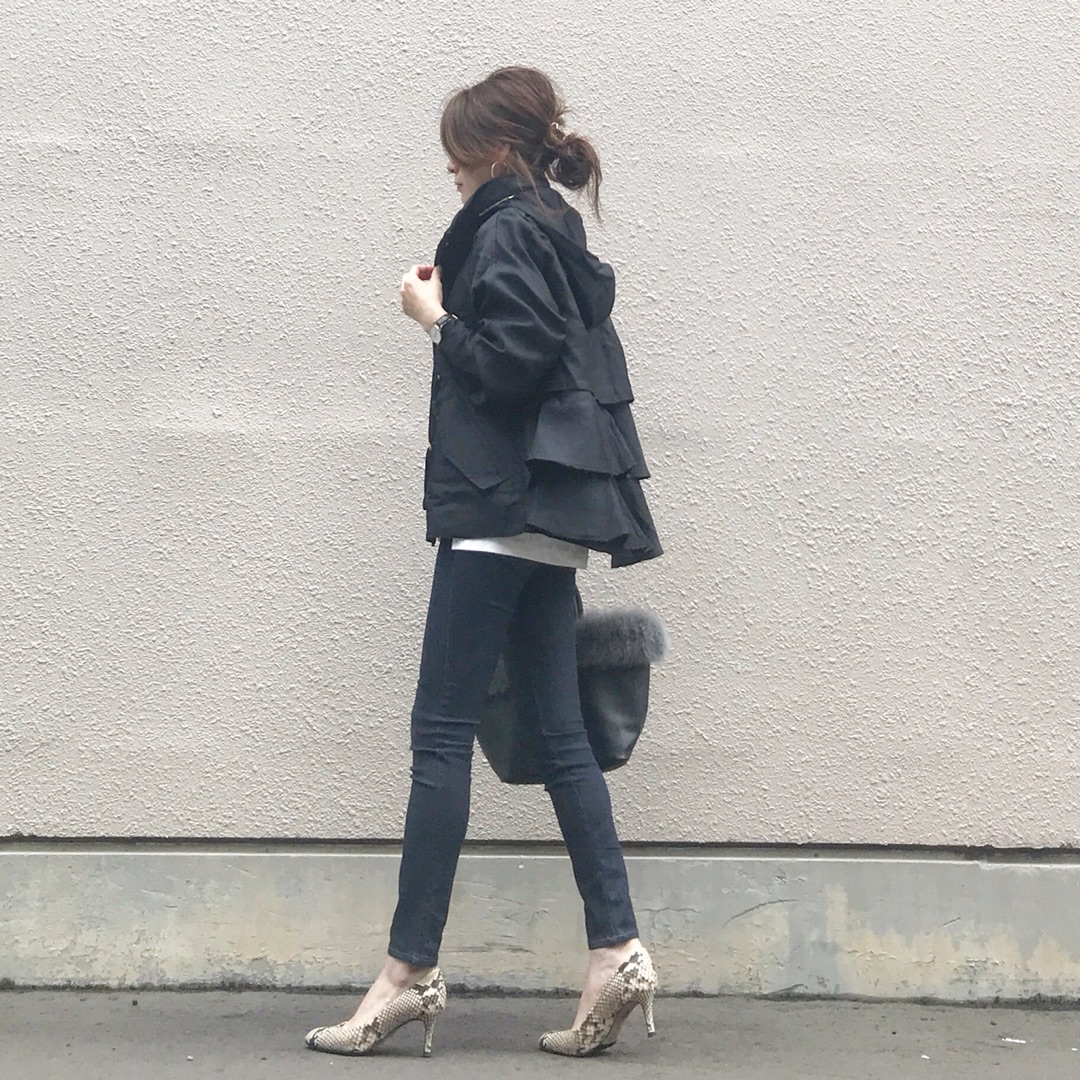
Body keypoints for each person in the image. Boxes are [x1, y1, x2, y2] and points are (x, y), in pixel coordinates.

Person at [304, 66, 662, 1059]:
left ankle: (405, 975)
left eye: (457, 157)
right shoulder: (553, 227)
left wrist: (432, 319)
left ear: (491, 152)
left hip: (496, 509)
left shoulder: (503, 229)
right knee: (562, 736)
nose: (451, 174)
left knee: (440, 735)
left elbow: (510, 363)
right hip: (545, 514)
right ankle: (616, 949)